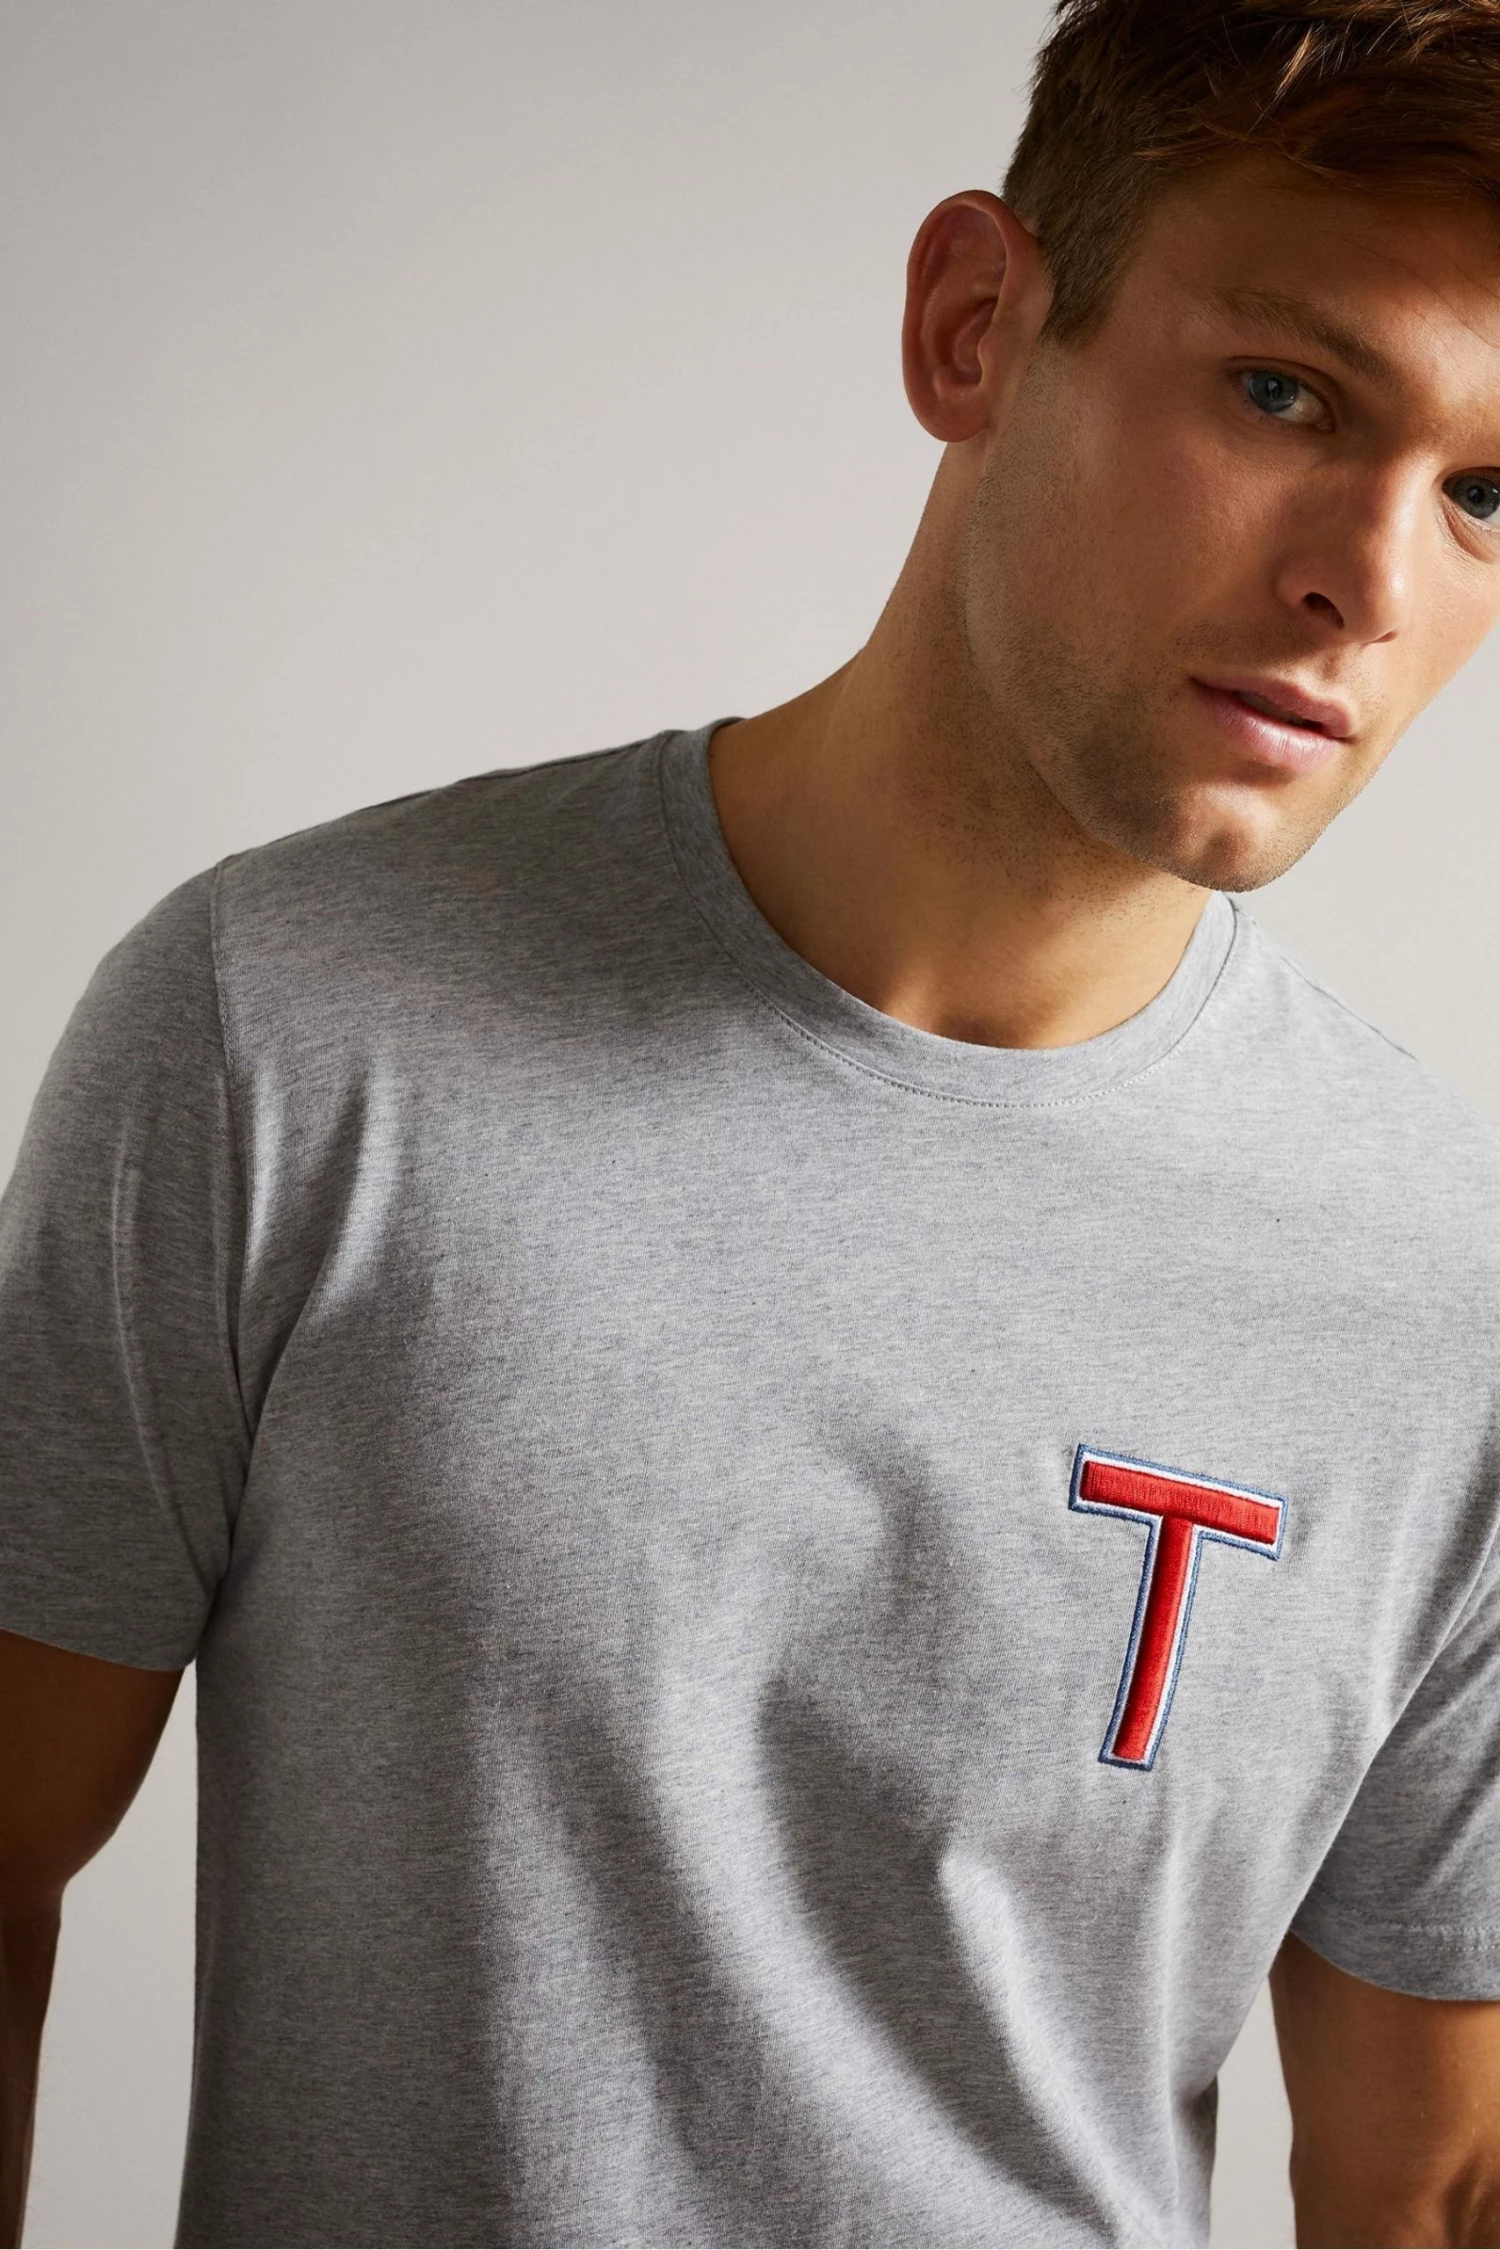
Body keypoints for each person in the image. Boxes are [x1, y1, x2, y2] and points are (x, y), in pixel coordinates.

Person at [7, 0, 1500, 2241]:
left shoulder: (1444, 1282)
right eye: (1286, 393)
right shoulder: (293, 1023)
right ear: (974, 326)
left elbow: (1435, 2184)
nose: (1368, 587)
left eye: (1487, 494)